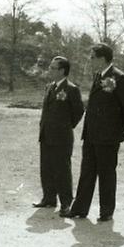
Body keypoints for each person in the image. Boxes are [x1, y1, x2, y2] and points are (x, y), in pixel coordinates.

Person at [62, 43, 124, 221]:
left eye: (93, 57)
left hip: (108, 137)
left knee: (107, 174)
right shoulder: (98, 76)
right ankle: (80, 208)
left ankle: (106, 211)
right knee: (87, 172)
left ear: (102, 59)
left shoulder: (119, 78)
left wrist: (118, 131)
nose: (90, 60)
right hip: (92, 134)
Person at [33, 56, 85, 213]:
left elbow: (78, 111)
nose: (50, 70)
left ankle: (66, 203)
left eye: (53, 68)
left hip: (62, 137)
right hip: (46, 134)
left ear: (62, 70)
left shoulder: (71, 89)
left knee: (62, 169)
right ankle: (48, 198)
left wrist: (66, 126)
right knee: (46, 168)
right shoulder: (50, 87)